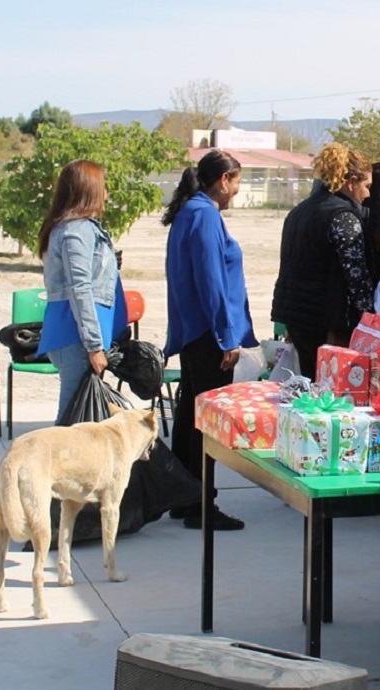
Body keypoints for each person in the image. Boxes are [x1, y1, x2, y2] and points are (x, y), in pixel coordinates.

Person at [162, 150, 256, 531]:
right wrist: (226, 335)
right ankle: (201, 504)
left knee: (190, 415)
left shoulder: (191, 212)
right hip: (207, 336)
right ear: (223, 180)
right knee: (206, 423)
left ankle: (184, 497)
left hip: (194, 333)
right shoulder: (203, 215)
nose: (236, 191)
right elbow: (211, 280)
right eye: (236, 183)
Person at [36, 160, 128, 423]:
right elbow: (80, 288)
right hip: (76, 337)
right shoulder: (76, 230)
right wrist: (94, 345)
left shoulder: (75, 228)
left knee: (81, 420)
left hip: (79, 336)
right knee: (71, 423)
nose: (106, 194)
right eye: (103, 187)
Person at [272, 143, 374, 378]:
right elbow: (356, 277)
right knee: (331, 389)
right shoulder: (343, 217)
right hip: (327, 321)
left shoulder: (298, 212)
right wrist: (370, 320)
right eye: (367, 186)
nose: (368, 194)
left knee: (310, 384)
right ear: (351, 182)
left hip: (296, 316)